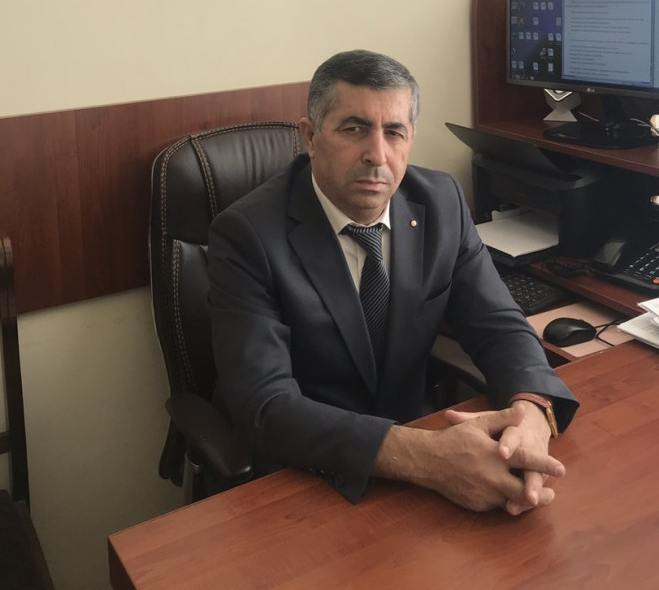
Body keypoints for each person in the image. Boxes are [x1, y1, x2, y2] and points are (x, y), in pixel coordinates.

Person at [207, 50, 579, 514]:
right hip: (307, 478)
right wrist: (430, 457)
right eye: (354, 128)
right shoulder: (247, 235)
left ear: (410, 138)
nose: (377, 155)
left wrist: (533, 413)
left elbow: (499, 326)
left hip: (422, 467)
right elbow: (265, 407)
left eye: (394, 132)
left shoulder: (441, 202)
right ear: (311, 137)